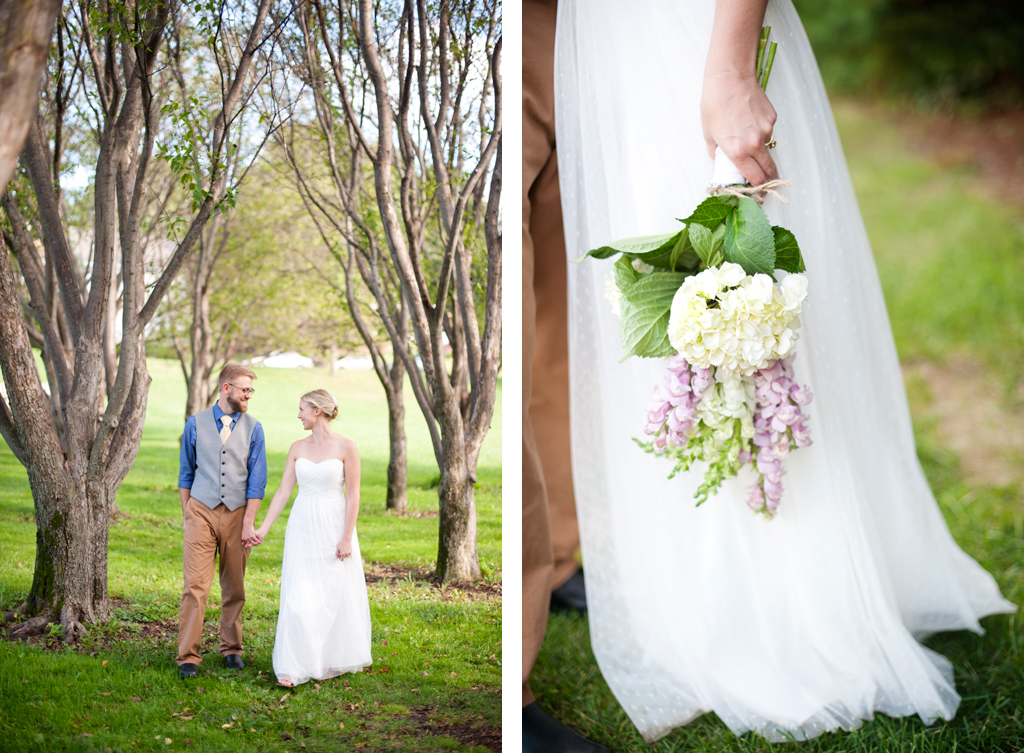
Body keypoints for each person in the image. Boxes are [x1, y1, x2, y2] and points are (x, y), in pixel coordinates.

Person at [554, 0, 1016, 744]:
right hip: (616, 44)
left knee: (746, 278)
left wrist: (732, 66)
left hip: (698, 37)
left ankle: (801, 600)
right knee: (675, 311)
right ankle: (709, 595)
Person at [523, 1, 610, 750]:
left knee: (558, 323)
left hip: (579, 30)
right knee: (511, 316)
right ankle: (508, 692)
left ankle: (559, 558)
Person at [253, 389, 372, 688]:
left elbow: (354, 495)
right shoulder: (297, 447)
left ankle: (326, 658)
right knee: (297, 595)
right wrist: (263, 529)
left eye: (302, 409)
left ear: (317, 411)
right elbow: (283, 492)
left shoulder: (347, 447)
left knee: (330, 593)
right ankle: (291, 668)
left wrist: (347, 537)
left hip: (334, 525)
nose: (298, 415)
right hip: (303, 525)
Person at [177, 363, 267, 679]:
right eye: (245, 389)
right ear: (226, 389)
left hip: (238, 514)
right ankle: (188, 655)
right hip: (200, 510)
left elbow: (258, 481)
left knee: (234, 586)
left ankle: (232, 649)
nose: (248, 395)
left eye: (250, 390)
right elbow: (186, 472)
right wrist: (189, 510)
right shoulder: (195, 424)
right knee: (195, 586)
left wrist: (248, 522)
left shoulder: (254, 428)